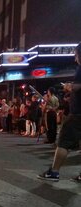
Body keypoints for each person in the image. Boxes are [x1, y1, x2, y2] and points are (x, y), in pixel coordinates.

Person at [38, 43, 81, 182]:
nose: (75, 59)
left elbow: (78, 86)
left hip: (77, 113)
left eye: (76, 55)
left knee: (63, 141)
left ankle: (54, 172)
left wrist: (70, 86)